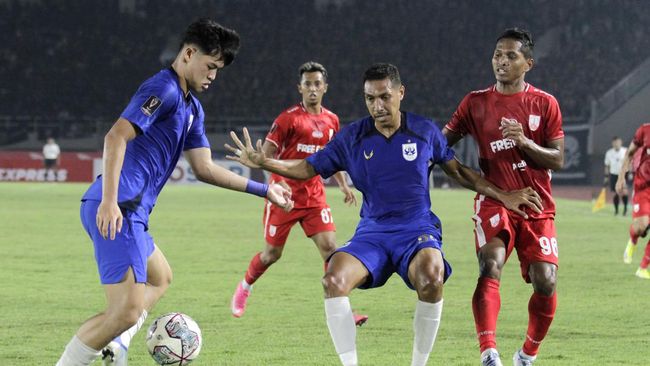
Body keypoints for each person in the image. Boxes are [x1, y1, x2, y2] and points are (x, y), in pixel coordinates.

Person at [227, 63, 543, 366]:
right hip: (373, 234)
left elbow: (460, 172)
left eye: (384, 97)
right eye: (370, 99)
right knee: (333, 279)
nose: (377, 105)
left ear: (400, 92)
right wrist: (266, 162)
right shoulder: (352, 138)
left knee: (432, 278)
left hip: (417, 230)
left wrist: (504, 195)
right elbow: (308, 167)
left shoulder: (424, 131)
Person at [55, 19, 292, 366]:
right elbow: (115, 137)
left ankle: (118, 345)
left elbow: (205, 168)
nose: (212, 75)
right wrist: (108, 202)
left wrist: (265, 189)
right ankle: (97, 350)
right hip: (119, 206)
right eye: (210, 66)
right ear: (189, 53)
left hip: (131, 211)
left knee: (160, 277)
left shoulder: (192, 109)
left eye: (218, 70)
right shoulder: (163, 89)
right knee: (125, 311)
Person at [443, 28, 564, 366]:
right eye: (498, 54)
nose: (502, 61)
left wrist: (525, 142)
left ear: (529, 63)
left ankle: (526, 354)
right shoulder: (475, 102)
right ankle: (489, 353)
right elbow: (440, 146)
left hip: (536, 205)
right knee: (490, 264)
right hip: (495, 199)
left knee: (546, 282)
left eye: (511, 56)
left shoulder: (545, 103)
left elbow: (557, 158)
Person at [230, 61, 368, 325]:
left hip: (314, 196)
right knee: (272, 255)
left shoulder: (332, 120)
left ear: (325, 87)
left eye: (317, 84)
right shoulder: (288, 119)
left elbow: (333, 156)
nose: (313, 89)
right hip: (283, 197)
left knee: (331, 249)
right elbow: (266, 157)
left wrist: (342, 183)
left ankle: (342, 312)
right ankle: (245, 287)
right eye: (308, 84)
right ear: (300, 88)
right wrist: (276, 184)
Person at [617, 124, 650, 277]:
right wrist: (621, 177)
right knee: (641, 227)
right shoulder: (644, 130)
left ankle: (643, 267)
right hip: (643, 186)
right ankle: (633, 239)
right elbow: (630, 153)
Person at [604, 136, 629, 215]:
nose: (616, 144)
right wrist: (606, 177)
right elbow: (607, 165)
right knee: (615, 193)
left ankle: (625, 209)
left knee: (624, 192)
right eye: (615, 142)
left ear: (620, 142)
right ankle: (616, 210)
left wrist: (631, 172)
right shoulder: (609, 153)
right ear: (612, 143)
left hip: (624, 174)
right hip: (613, 174)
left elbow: (630, 162)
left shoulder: (625, 151)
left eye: (618, 142)